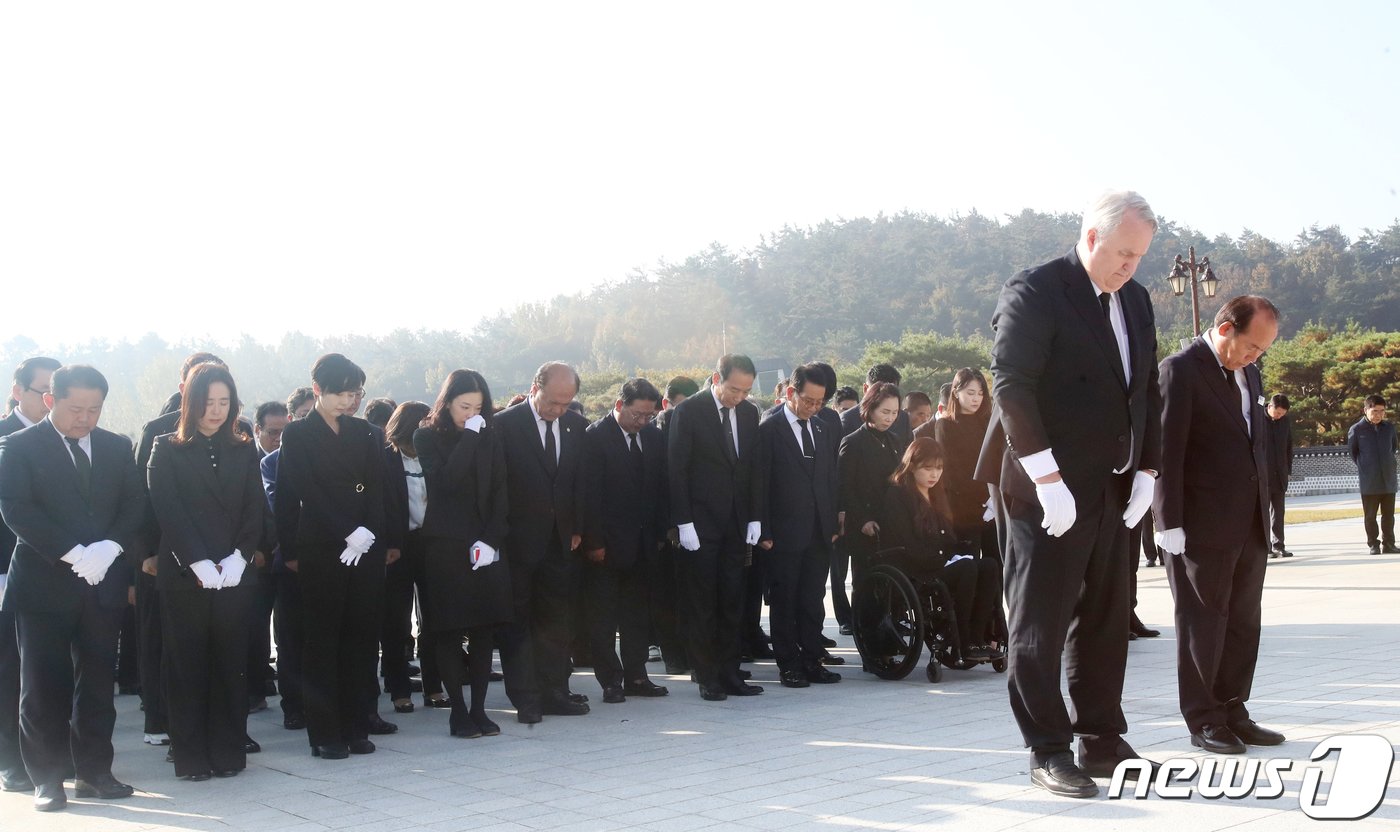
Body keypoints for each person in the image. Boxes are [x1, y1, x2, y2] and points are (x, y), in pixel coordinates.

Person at [973, 190, 1163, 798]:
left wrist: (1147, 471)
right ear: (1090, 239)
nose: (1131, 265)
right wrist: (1047, 478)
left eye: (1140, 256)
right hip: (1043, 490)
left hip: (1110, 485)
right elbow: (1012, 387)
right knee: (1040, 622)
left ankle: (1102, 738)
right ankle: (1047, 748)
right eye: (1123, 252)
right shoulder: (1036, 290)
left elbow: (1145, 392)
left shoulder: (1134, 299)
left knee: (1107, 617)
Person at [0, 365, 146, 811]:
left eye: (94, 409)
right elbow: (16, 508)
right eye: (75, 408)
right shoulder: (18, 446)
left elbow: (134, 502)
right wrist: (72, 552)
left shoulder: (117, 446)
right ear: (50, 401)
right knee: (43, 685)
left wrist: (110, 547)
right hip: (44, 584)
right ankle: (47, 779)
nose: (85, 418)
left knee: (98, 681)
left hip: (103, 582)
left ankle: (95, 773)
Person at [1154, 296, 1285, 755]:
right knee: (1202, 623)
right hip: (1200, 524)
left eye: (1263, 350)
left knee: (1244, 622)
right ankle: (1203, 717)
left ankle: (1233, 709)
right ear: (1226, 329)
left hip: (1248, 520)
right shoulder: (1180, 369)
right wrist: (1167, 520)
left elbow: (1255, 441)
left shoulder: (1248, 371)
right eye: (1252, 346)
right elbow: (1166, 449)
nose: (1256, 356)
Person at [146, 364, 265, 781]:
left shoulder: (244, 446)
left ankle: (229, 752)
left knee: (231, 663)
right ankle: (191, 757)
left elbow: (255, 507)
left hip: (234, 573)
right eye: (208, 402)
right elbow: (169, 510)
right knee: (187, 665)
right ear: (189, 402)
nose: (216, 411)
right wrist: (196, 560)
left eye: (224, 402)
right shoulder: (166, 447)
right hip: (185, 574)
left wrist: (240, 557)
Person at [275, 354, 393, 759]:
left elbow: (378, 489)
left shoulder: (366, 433)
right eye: (341, 393)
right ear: (318, 391)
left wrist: (369, 532)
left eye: (355, 393)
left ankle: (357, 726)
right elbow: (307, 491)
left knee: (361, 638)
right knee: (322, 640)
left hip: (365, 547)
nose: (350, 401)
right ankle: (324, 733)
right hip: (324, 546)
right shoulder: (298, 435)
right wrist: (348, 531)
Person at [414, 370, 512, 737]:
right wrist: (469, 437)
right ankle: (457, 710)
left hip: (485, 544)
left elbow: (502, 491)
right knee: (450, 630)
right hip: (445, 545)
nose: (472, 414)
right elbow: (446, 483)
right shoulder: (425, 436)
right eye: (463, 406)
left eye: (478, 407)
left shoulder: (492, 435)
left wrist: (491, 540)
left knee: (485, 630)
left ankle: (480, 709)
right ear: (447, 402)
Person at [494, 362, 591, 721]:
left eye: (566, 403)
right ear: (535, 387)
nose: (558, 410)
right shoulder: (504, 425)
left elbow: (579, 482)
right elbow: (496, 484)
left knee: (556, 619)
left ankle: (556, 690)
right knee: (517, 620)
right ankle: (525, 696)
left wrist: (578, 526)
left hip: (561, 540)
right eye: (552, 402)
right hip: (517, 541)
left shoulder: (576, 426)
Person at [667, 354, 764, 700]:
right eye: (733, 389)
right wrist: (683, 522)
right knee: (703, 602)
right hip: (701, 524)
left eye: (746, 391)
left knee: (733, 600)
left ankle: (730, 672)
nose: (738, 397)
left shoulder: (751, 413)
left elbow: (751, 467)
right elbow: (676, 469)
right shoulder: (689, 411)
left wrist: (754, 515)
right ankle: (706, 675)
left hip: (737, 523)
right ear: (716, 379)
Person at [580, 379, 671, 703]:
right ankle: (610, 679)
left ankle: (637, 675)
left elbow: (661, 488)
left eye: (649, 415)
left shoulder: (654, 436)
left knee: (637, 616)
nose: (643, 421)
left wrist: (661, 536)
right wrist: (594, 541)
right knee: (603, 618)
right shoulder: (594, 437)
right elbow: (589, 496)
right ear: (619, 405)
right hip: (606, 546)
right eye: (637, 415)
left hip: (644, 545)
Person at [754, 364, 842, 689]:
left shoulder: (823, 428)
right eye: (809, 400)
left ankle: (812, 659)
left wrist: (832, 522)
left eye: (820, 402)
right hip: (782, 534)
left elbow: (829, 477)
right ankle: (788, 664)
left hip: (818, 532)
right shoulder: (769, 429)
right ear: (791, 393)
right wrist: (762, 530)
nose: (814, 407)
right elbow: (759, 483)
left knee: (812, 599)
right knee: (784, 600)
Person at [0, 356, 62, 795]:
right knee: (10, 669)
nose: (49, 399)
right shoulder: (8, 439)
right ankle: (12, 761)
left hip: (64, 573)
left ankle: (57, 757)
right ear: (19, 390)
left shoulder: (72, 439)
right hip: (8, 571)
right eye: (42, 390)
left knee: (53, 672)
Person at [881, 438, 1001, 657]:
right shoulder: (898, 495)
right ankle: (962, 641)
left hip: (941, 561)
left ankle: (977, 637)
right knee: (967, 568)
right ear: (912, 465)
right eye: (928, 468)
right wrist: (943, 557)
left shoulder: (937, 493)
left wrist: (953, 552)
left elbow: (948, 536)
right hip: (916, 567)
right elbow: (905, 542)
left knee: (990, 566)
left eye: (938, 468)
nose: (934, 474)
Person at [380, 401, 432, 715]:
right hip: (396, 547)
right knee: (396, 621)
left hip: (430, 543)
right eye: (424, 423)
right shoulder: (385, 458)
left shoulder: (432, 455)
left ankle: (435, 684)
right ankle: (399, 689)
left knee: (433, 619)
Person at [838, 382, 908, 600]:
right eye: (885, 412)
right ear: (870, 408)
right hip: (865, 525)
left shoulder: (895, 441)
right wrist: (862, 520)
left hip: (891, 521)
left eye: (895, 413)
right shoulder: (853, 443)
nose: (890, 418)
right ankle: (866, 629)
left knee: (892, 582)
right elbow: (846, 489)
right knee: (866, 583)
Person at [652, 374, 699, 675]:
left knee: (691, 593)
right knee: (667, 592)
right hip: (667, 525)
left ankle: (691, 652)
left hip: (694, 524)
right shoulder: (662, 425)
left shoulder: (699, 420)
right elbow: (662, 478)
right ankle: (671, 652)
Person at [927, 368, 995, 558]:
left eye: (981, 393)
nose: (976, 399)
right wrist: (985, 499)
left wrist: (995, 499)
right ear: (956, 392)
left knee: (995, 568)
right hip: (963, 508)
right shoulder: (945, 424)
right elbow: (953, 471)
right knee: (969, 564)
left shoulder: (987, 421)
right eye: (970, 393)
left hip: (993, 507)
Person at [1348, 394, 1399, 555]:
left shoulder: (1389, 428)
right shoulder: (1356, 430)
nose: (1378, 414)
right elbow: (1353, 453)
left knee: (1389, 516)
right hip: (1369, 480)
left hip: (1388, 479)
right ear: (1365, 410)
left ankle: (1389, 544)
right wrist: (1367, 467)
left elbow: (1393, 448)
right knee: (1370, 516)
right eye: (1374, 411)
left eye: (1382, 411)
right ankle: (1373, 544)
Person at [840, 364, 913, 444]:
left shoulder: (903, 419)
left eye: (891, 392)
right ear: (865, 388)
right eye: (878, 393)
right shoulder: (847, 420)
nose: (890, 418)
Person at [1264, 394, 1294, 558]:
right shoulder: (1259, 420)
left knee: (1278, 512)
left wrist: (1287, 470)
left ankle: (1279, 545)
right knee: (1263, 514)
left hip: (1279, 474)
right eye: (1277, 413)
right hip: (1263, 474)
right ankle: (1265, 547)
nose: (1279, 416)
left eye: (1282, 414)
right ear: (1269, 407)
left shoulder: (1285, 422)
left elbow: (1289, 447)